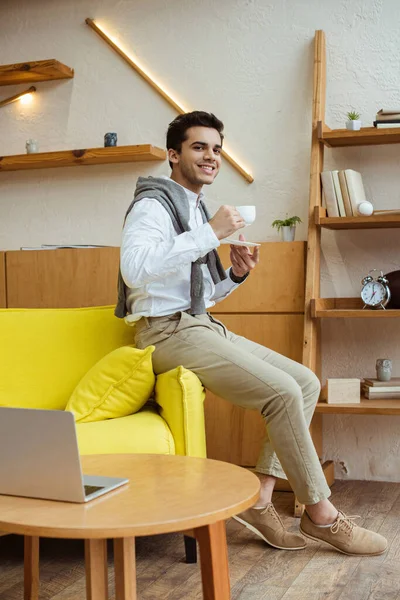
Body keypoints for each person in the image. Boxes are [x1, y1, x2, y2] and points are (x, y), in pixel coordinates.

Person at [116, 110, 387, 556]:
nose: (210, 157)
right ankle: (323, 516)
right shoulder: (152, 205)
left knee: (303, 381)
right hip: (163, 334)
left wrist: (236, 275)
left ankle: (260, 500)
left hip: (195, 323)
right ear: (173, 154)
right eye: (198, 147)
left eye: (216, 149)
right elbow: (136, 270)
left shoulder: (193, 207)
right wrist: (210, 233)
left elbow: (197, 294)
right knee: (280, 392)